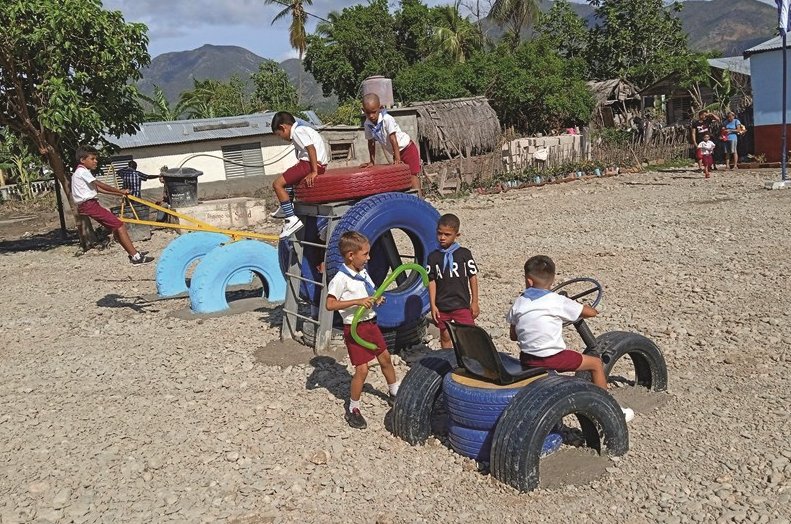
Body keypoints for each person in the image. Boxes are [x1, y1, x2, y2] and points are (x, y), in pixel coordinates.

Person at [507, 255, 634, 422]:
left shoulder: (519, 303)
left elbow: (513, 336)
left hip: (528, 359)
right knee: (595, 363)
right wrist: (577, 306)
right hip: (553, 358)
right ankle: (610, 409)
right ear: (552, 280)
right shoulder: (557, 301)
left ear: (528, 281)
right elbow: (591, 313)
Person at [326, 231, 400, 430]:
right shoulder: (341, 278)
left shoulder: (362, 272)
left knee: (385, 358)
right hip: (355, 328)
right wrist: (357, 302)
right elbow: (330, 304)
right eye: (365, 254)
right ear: (351, 255)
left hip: (371, 324)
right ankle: (353, 407)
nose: (369, 258)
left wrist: (376, 298)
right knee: (362, 369)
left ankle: (394, 392)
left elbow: (370, 292)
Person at [71, 146, 154, 265]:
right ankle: (136, 257)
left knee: (116, 227)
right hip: (89, 205)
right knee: (119, 225)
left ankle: (133, 253)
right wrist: (120, 191)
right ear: (82, 160)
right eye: (92, 158)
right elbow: (99, 184)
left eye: (96, 158)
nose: (96, 161)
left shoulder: (80, 173)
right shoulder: (82, 172)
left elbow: (98, 189)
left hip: (90, 204)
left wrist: (118, 193)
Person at [271, 111, 329, 238]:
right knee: (289, 180)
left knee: (277, 184)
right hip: (315, 164)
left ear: (283, 127)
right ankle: (286, 205)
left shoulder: (298, 131)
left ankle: (291, 218)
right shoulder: (303, 129)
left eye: (280, 135)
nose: (282, 138)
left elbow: (311, 149)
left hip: (310, 164)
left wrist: (314, 171)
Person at [426, 213, 479, 349]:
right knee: (444, 335)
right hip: (442, 304)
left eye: (447, 234)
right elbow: (431, 281)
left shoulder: (464, 254)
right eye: (439, 233)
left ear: (457, 235)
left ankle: (471, 361)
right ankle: (448, 360)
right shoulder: (433, 257)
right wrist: (433, 305)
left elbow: (472, 277)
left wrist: (474, 302)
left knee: (469, 334)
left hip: (461, 303)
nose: (442, 237)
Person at [361, 93, 422, 193]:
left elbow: (393, 139)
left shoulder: (387, 119)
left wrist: (397, 159)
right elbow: (371, 142)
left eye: (374, 112)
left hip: (407, 148)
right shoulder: (367, 124)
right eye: (368, 113)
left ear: (379, 108)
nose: (371, 116)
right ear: (364, 111)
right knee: (400, 177)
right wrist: (372, 161)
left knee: (412, 175)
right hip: (396, 152)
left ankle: (419, 201)